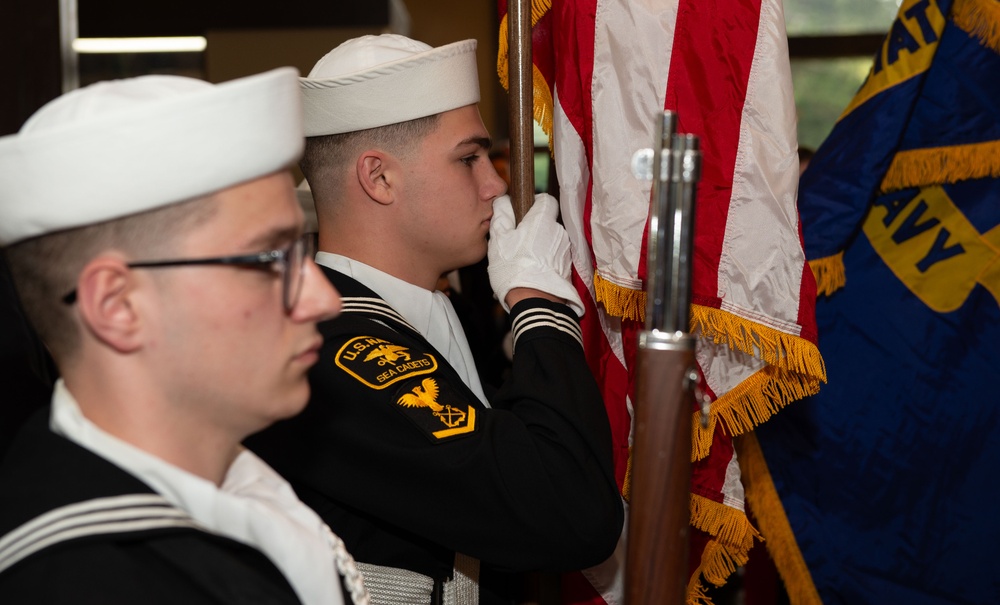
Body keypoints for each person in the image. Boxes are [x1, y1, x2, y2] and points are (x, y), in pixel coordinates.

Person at [246, 35, 623, 604]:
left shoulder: (418, 319)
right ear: (379, 178)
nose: (496, 186)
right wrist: (541, 307)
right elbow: (570, 512)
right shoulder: (331, 349)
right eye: (469, 158)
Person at [0, 69, 369, 604]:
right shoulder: (81, 579)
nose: (324, 300)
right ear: (118, 306)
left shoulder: (237, 488)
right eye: (271, 259)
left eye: (303, 252)